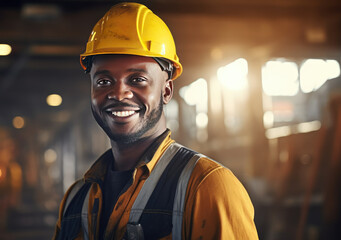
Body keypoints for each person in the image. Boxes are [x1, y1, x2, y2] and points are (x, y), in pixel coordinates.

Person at [53, 2, 258, 239]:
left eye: (137, 79)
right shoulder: (74, 201)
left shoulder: (208, 186)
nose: (119, 94)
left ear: (167, 91)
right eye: (103, 81)